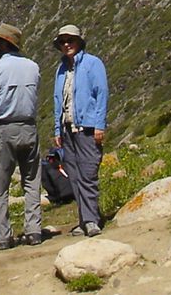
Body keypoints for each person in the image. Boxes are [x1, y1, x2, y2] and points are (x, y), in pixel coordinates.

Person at [0, 23, 44, 250]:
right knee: (31, 180)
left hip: (4, 128)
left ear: (4, 43)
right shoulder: (33, 66)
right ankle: (34, 230)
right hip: (29, 127)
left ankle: (4, 237)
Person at [51, 24, 109, 237]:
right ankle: (84, 219)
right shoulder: (61, 69)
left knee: (88, 172)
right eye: (63, 41)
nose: (67, 45)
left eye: (70, 40)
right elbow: (58, 100)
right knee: (74, 175)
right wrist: (57, 129)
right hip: (67, 129)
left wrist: (100, 125)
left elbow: (101, 93)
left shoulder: (93, 64)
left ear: (78, 42)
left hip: (87, 127)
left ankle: (92, 219)